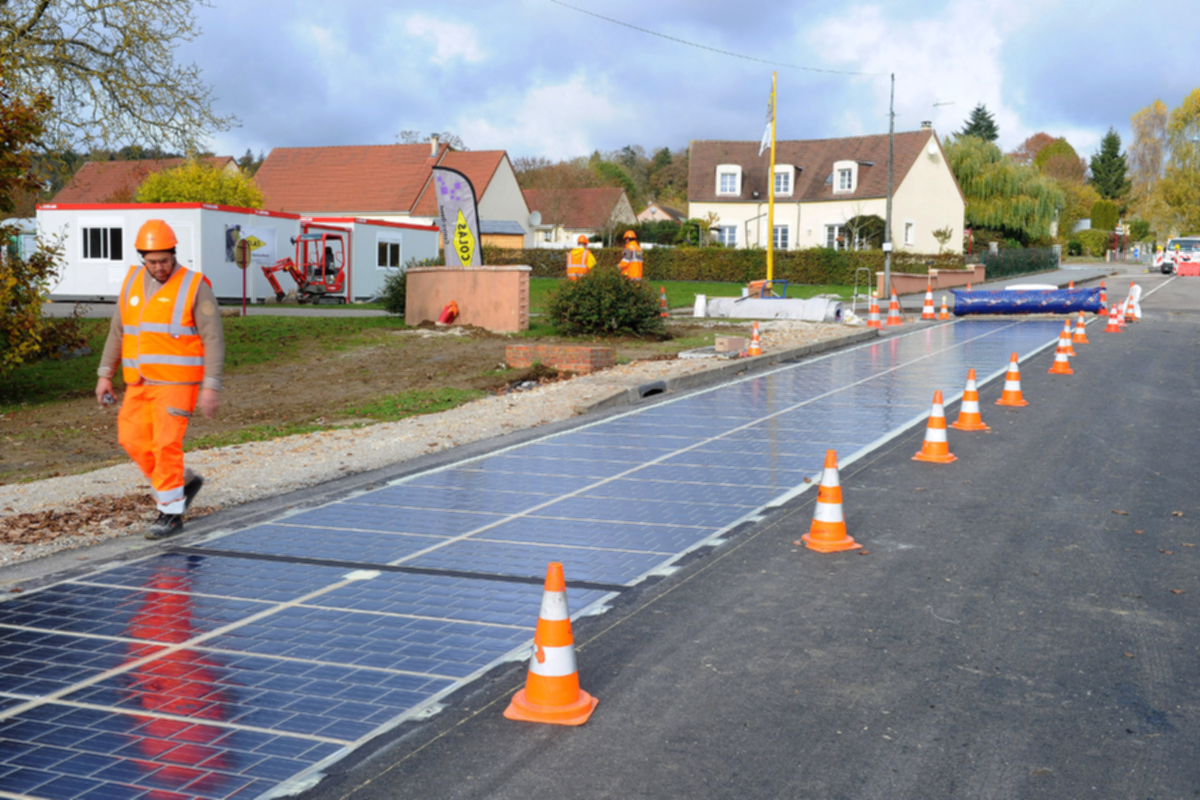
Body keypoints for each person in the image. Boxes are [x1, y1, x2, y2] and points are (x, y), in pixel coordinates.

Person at [95, 220, 225, 540]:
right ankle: (183, 481)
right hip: (138, 381)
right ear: (142, 258)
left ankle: (170, 514)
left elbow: (214, 339)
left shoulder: (195, 285)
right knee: (132, 439)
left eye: (165, 260)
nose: (159, 267)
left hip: (178, 383)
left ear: (174, 254)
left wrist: (211, 385)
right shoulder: (131, 282)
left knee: (165, 445)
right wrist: (104, 374)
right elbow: (118, 332)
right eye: (152, 261)